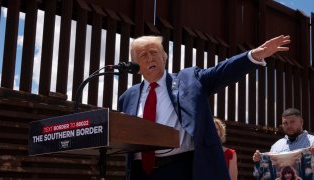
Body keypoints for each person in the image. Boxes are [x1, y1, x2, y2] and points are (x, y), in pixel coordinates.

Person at [119, 35, 290, 180]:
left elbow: (221, 71)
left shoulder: (189, 80)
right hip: (139, 171)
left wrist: (254, 55)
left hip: (180, 168)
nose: (150, 58)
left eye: (154, 52)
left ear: (164, 57)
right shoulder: (127, 97)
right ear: (136, 67)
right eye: (143, 55)